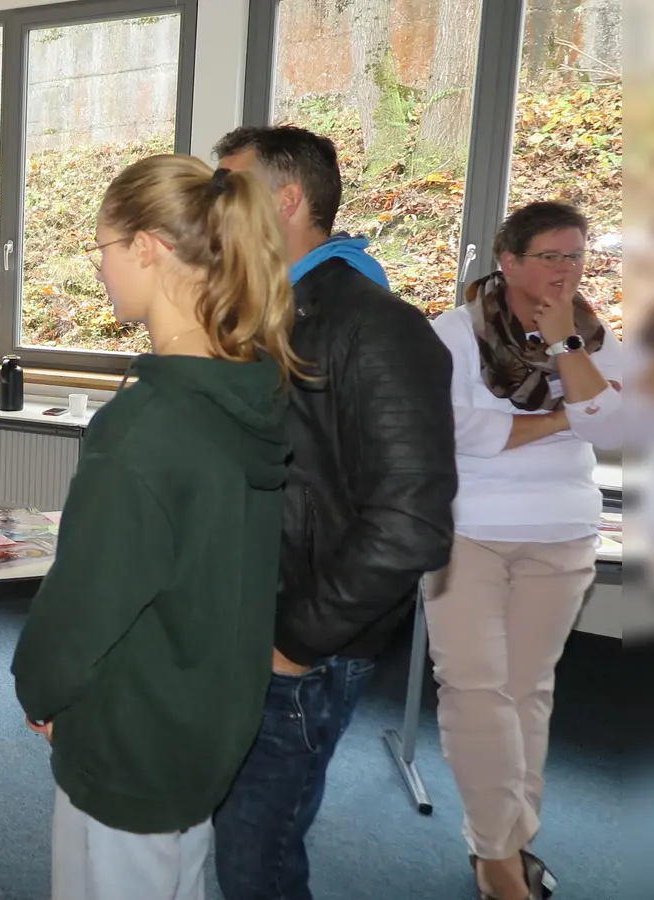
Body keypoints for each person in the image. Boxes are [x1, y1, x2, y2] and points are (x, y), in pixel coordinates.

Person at [12, 155, 297, 899]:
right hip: (210, 718)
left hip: (131, 734)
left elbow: (84, 605)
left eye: (102, 248)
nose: (99, 269)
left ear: (149, 247)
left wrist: (38, 690)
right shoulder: (251, 391)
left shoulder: (144, 427)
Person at [211, 125, 458, 900]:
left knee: (259, 859)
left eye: (229, 190)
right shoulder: (271, 313)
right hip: (255, 624)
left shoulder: (375, 326)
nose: (213, 211)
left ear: (286, 201)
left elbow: (412, 521)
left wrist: (295, 645)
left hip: (303, 649)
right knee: (240, 842)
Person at [426, 201, 623, 900]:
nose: (567, 270)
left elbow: (611, 431)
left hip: (564, 533)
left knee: (526, 692)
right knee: (475, 692)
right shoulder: (453, 334)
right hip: (469, 531)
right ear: (509, 261)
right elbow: (456, 434)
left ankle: (504, 841)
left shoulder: (594, 336)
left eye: (576, 256)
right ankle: (501, 861)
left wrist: (568, 347)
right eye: (551, 256)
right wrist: (566, 416)